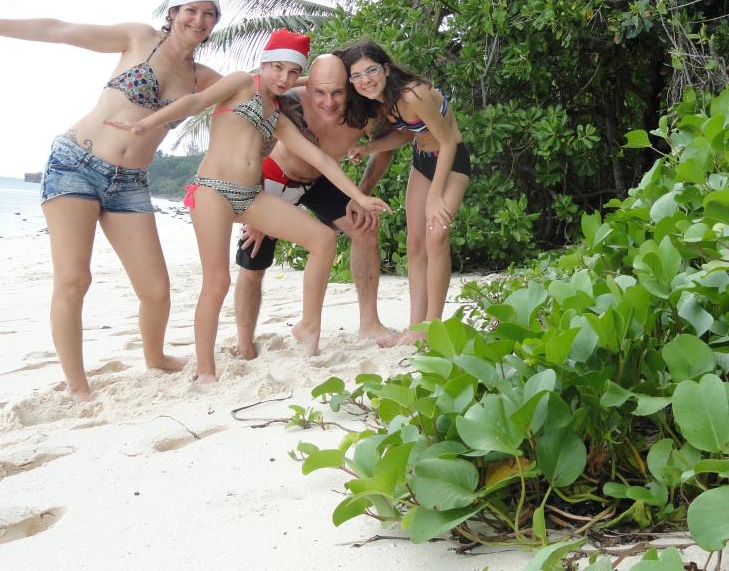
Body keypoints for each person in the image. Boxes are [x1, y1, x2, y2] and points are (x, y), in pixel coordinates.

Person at [0, 0, 224, 400]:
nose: (199, 20)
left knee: (156, 290)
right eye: (191, 10)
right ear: (173, 12)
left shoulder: (204, 79)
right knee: (74, 279)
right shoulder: (138, 38)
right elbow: (59, 31)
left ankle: (156, 358)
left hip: (130, 183)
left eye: (209, 14)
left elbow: (257, 92)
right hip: (75, 164)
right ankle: (78, 387)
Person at [106, 29, 390, 381]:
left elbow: (320, 159)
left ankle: (309, 328)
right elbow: (196, 102)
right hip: (213, 190)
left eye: (292, 72)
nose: (285, 78)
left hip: (251, 196)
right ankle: (209, 369)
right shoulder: (243, 83)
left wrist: (360, 196)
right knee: (219, 281)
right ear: (264, 63)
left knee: (324, 239)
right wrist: (145, 123)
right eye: (278, 68)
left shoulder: (279, 114)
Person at [234, 53, 396, 356]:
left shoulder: (366, 111)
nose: (329, 102)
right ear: (309, 87)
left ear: (349, 86)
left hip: (321, 178)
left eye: (337, 92)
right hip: (274, 177)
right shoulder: (289, 100)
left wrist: (361, 193)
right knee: (253, 260)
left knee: (365, 228)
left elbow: (386, 146)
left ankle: (369, 323)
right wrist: (256, 211)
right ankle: (244, 343)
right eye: (320, 91)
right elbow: (252, 148)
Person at [341, 41, 471, 346]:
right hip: (422, 160)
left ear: (386, 69)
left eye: (371, 70)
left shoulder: (413, 94)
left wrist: (435, 197)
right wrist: (368, 147)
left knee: (436, 235)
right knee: (414, 244)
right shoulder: (386, 101)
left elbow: (449, 141)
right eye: (356, 76)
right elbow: (405, 133)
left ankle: (433, 329)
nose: (365, 80)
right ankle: (416, 327)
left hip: (451, 163)